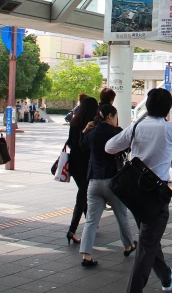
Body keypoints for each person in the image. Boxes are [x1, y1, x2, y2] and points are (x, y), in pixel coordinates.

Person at [106, 88, 172, 293]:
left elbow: (109, 147)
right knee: (147, 244)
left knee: (148, 239)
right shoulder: (170, 128)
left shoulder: (136, 128)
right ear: (168, 108)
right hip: (157, 193)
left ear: (148, 106)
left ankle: (165, 275)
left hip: (135, 192)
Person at [77, 104, 136, 267]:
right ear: (110, 116)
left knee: (91, 220)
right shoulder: (116, 132)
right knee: (121, 215)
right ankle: (128, 245)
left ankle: (86, 256)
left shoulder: (92, 132)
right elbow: (129, 146)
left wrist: (85, 131)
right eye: (116, 117)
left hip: (94, 181)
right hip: (113, 182)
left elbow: (81, 145)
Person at [66, 96, 97, 244]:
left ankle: (91, 224)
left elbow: (70, 143)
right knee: (82, 196)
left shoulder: (74, 121)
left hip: (74, 163)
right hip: (86, 164)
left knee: (83, 193)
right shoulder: (91, 125)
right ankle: (72, 230)